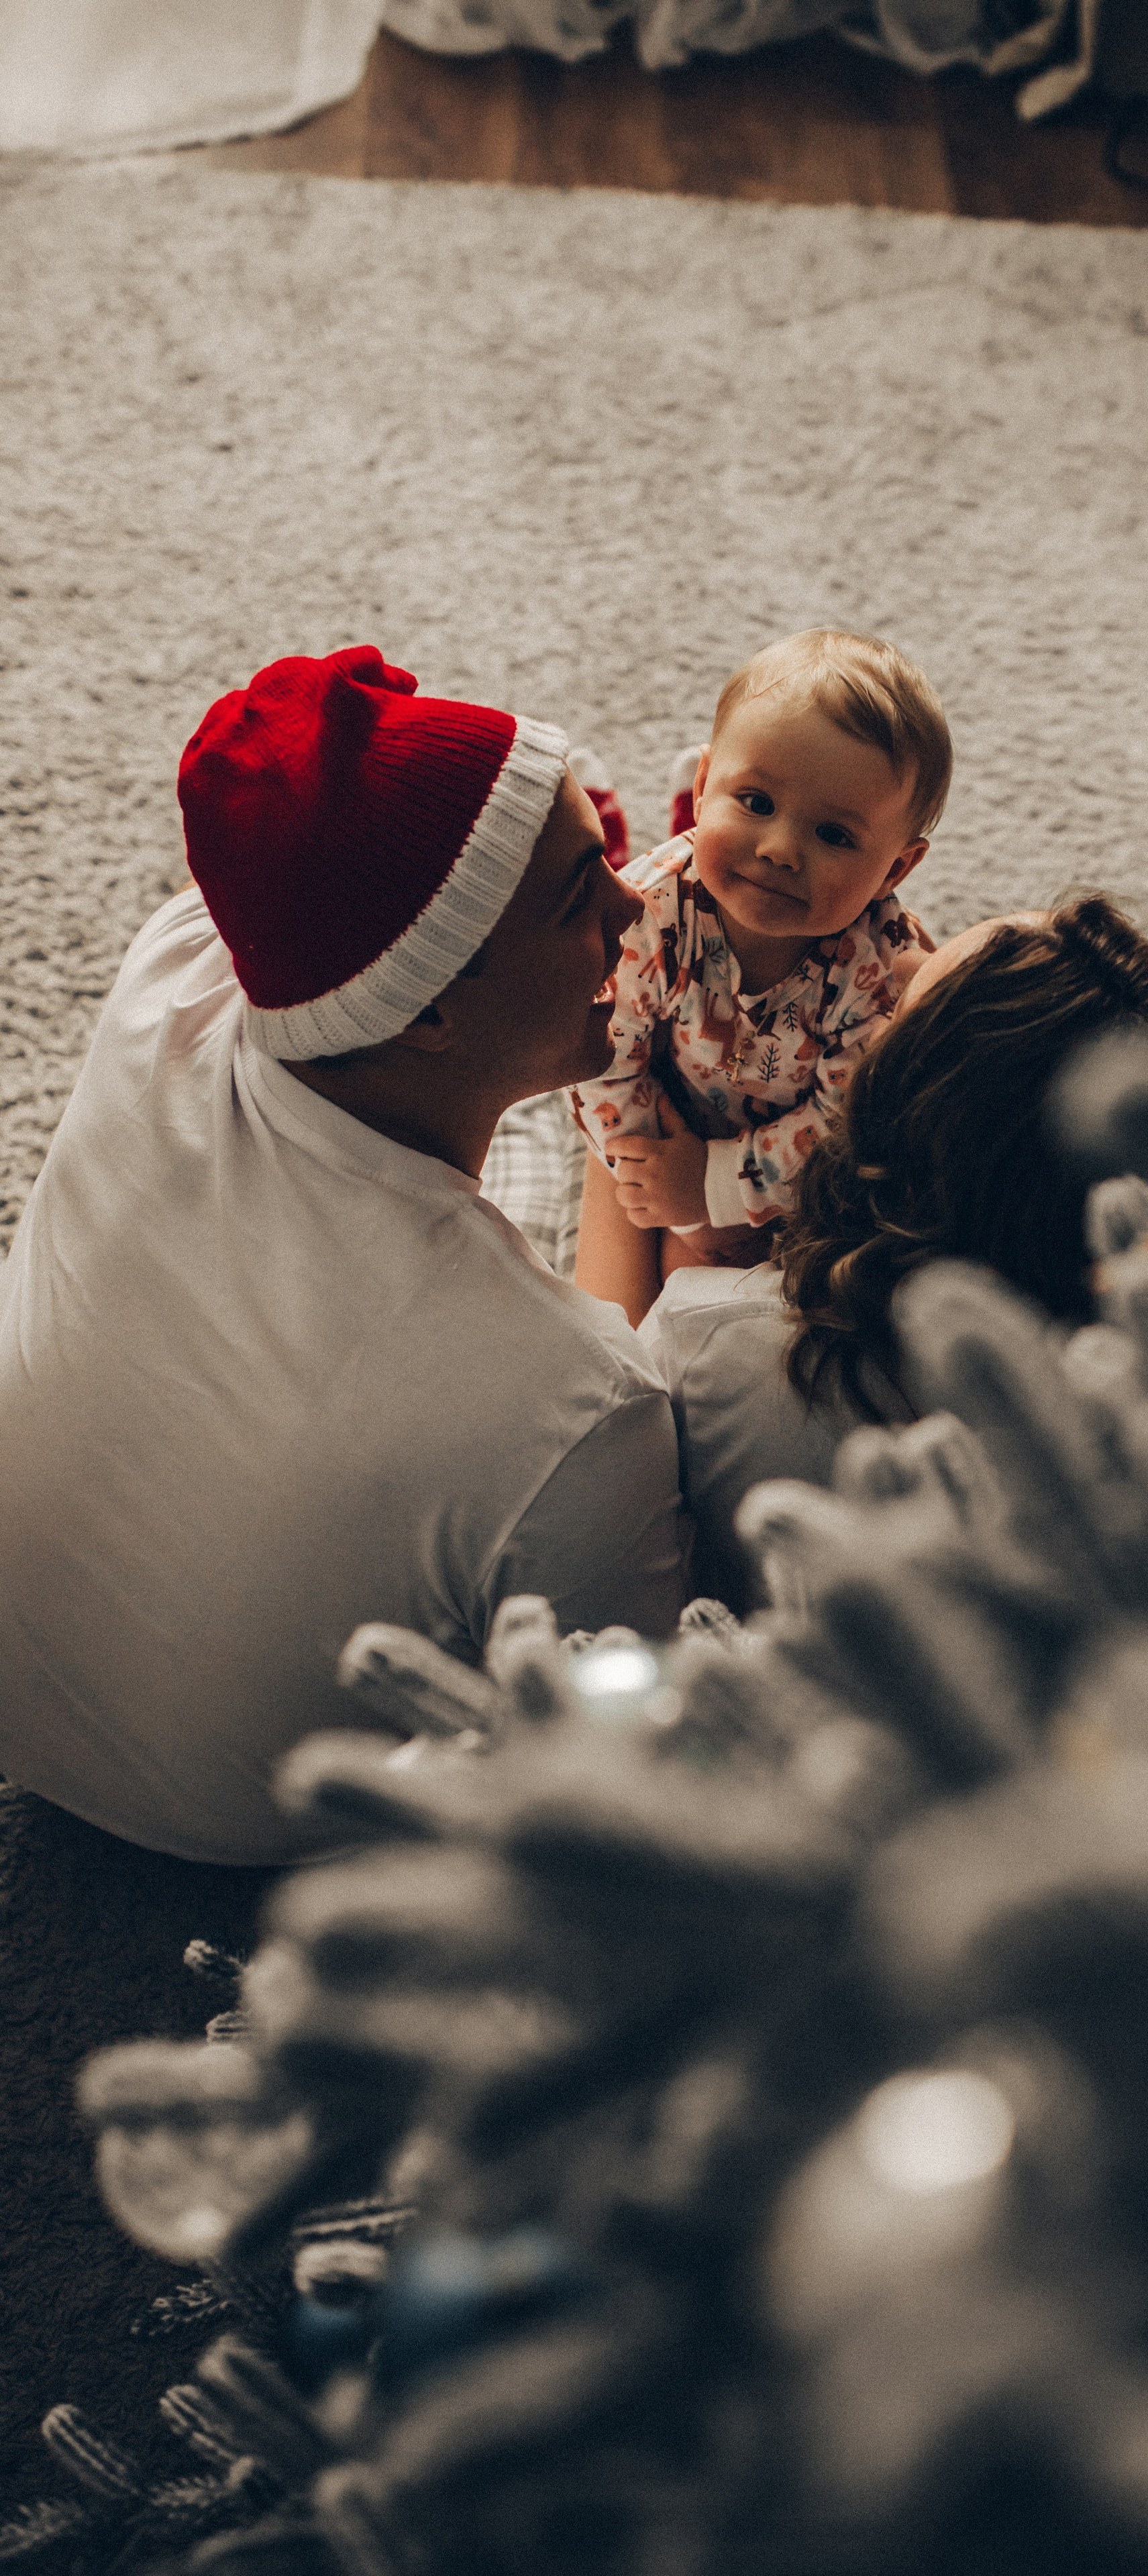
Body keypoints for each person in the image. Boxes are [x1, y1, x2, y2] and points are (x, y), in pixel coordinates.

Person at [0, 647, 687, 1866]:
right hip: (244, 1832)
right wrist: (660, 1157)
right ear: (426, 1011)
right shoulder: (581, 1401)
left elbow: (331, 854)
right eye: (587, 892)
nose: (641, 908)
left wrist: (551, 865)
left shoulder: (176, 970)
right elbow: (627, 1753)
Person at [639, 893, 1148, 1609]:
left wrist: (637, 1098)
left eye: (902, 1009)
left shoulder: (711, 1344)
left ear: (899, 1112)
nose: (895, 960)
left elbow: (610, 1399)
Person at [570, 630, 945, 1328]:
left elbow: (846, 1116)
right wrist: (661, 1178)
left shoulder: (877, 965)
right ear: (714, 776)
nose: (779, 851)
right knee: (613, 1317)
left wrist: (720, 1185)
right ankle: (639, 845)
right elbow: (602, 1061)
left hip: (783, 1146)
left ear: (894, 870)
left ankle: (712, 825)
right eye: (756, 802)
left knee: (770, 1309)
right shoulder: (647, 915)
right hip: (667, 1104)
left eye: (833, 835)